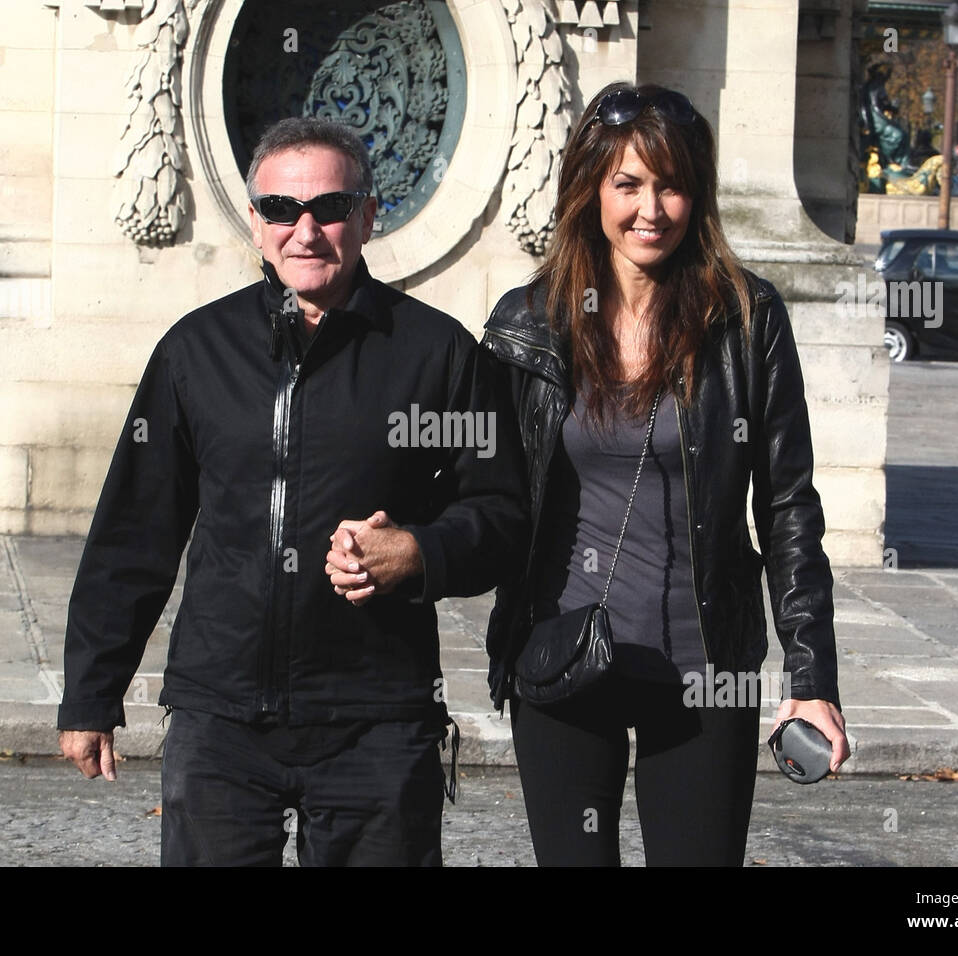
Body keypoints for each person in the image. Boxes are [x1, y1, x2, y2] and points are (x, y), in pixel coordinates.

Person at [57, 116, 527, 866]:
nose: (304, 230)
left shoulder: (434, 356)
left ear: (369, 216)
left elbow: (502, 512)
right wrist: (91, 691)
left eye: (330, 209)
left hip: (376, 717)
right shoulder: (194, 352)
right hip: (221, 716)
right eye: (281, 209)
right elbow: (134, 532)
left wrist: (420, 552)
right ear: (255, 220)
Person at [480, 82, 851, 866]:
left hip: (703, 666)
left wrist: (811, 672)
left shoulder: (746, 320)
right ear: (591, 190)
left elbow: (788, 505)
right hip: (561, 656)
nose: (652, 209)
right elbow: (486, 497)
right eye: (629, 184)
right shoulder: (528, 322)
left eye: (673, 185)